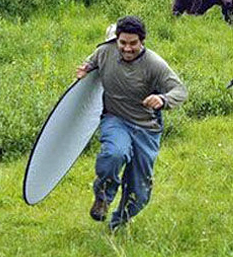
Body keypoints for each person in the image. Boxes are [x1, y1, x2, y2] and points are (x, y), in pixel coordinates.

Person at [76, 16, 188, 230]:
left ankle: (117, 225)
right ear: (116, 40)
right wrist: (85, 72)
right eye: (123, 43)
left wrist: (162, 99)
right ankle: (103, 197)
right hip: (115, 119)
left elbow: (180, 91)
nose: (127, 48)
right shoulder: (104, 53)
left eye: (133, 43)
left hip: (146, 128)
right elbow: (90, 65)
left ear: (142, 41)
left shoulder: (154, 64)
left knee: (139, 192)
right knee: (113, 154)